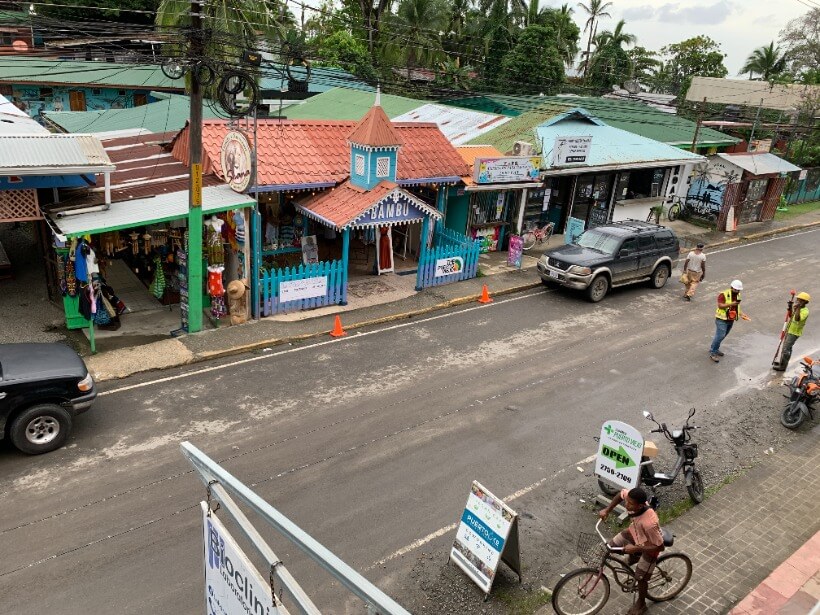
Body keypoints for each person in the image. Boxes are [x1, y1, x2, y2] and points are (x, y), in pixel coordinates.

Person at [599, 487, 664, 615]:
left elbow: (660, 546)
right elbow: (620, 494)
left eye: (630, 504)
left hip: (650, 547)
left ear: (640, 506)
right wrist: (607, 509)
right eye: (627, 501)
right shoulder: (632, 497)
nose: (626, 505)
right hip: (634, 533)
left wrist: (636, 548)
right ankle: (635, 556)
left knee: (640, 577)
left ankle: (641, 603)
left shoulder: (649, 523)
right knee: (611, 546)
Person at [710, 279, 752, 362]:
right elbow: (720, 306)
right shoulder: (723, 294)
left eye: (738, 290)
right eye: (736, 289)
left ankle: (715, 348)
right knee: (720, 336)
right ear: (731, 287)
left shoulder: (738, 295)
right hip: (721, 319)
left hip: (731, 319)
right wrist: (731, 304)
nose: (737, 291)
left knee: (723, 335)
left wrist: (741, 314)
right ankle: (713, 352)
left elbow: (736, 307)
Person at [773, 292, 811, 371]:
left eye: (800, 301)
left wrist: (798, 308)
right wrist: (790, 307)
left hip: (794, 333)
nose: (798, 302)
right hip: (789, 329)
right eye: (797, 300)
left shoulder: (805, 311)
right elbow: (791, 316)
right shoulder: (797, 308)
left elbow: (797, 319)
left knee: (786, 349)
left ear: (805, 302)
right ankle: (781, 362)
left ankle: (783, 366)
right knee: (785, 348)